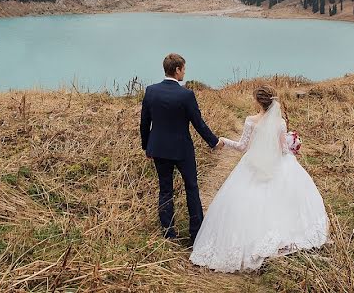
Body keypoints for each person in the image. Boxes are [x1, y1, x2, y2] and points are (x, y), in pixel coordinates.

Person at [190, 86, 328, 272]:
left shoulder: (250, 121)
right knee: (280, 201)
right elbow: (283, 149)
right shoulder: (280, 123)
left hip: (252, 165)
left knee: (248, 201)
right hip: (277, 164)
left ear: (258, 101)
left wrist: (223, 140)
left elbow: (241, 147)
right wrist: (293, 146)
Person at [140, 53, 223, 244]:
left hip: (158, 149)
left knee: (165, 190)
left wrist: (147, 147)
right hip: (182, 150)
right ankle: (196, 234)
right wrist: (214, 141)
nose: (185, 72)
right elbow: (198, 123)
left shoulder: (151, 91)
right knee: (192, 188)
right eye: (184, 68)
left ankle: (169, 233)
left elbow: (144, 123)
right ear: (177, 70)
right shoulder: (186, 95)